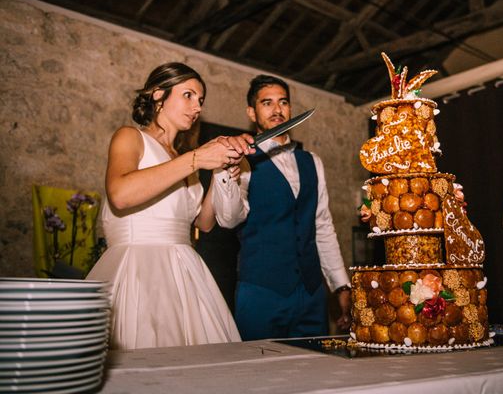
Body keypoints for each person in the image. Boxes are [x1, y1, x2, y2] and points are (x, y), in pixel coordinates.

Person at [87, 62, 255, 349]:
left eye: (200, 100)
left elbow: (204, 222)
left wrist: (220, 174)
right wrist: (198, 159)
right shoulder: (130, 137)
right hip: (138, 268)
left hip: (185, 273)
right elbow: (120, 194)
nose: (197, 106)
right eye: (188, 95)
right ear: (157, 95)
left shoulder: (183, 159)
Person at [212, 74, 351, 340]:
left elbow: (322, 225)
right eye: (267, 103)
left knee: (316, 369)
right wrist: (227, 172)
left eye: (283, 102)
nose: (277, 110)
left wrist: (340, 285)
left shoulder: (313, 161)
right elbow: (229, 220)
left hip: (311, 293)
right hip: (261, 292)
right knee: (259, 374)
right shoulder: (242, 159)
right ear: (252, 112)